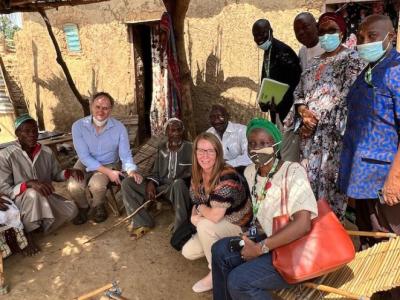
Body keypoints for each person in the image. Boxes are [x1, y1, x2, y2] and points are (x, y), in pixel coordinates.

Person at [211, 118, 318, 300]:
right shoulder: (250, 172)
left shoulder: (293, 171)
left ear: (275, 146)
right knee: (220, 250)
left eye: (263, 143)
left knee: (239, 282)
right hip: (270, 240)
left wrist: (260, 248)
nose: (256, 148)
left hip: (296, 250)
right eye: (252, 143)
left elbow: (302, 225)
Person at [283, 12, 365, 220]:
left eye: (332, 31)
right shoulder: (313, 63)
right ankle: (312, 236)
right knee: (308, 188)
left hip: (333, 140)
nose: (326, 35)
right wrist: (302, 112)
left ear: (343, 32)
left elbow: (348, 97)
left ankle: (330, 239)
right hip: (308, 139)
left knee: (329, 191)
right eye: (322, 32)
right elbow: (299, 94)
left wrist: (315, 119)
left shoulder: (353, 60)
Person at [339, 15, 400, 248]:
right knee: (370, 243)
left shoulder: (395, 70)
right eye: (361, 37)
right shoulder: (370, 70)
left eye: (372, 36)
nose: (365, 42)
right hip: (364, 180)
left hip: (384, 181)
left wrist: (395, 179)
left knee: (389, 249)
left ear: (391, 37)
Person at [181, 132, 252, 293]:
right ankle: (232, 254)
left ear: (218, 153)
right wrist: (195, 215)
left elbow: (214, 216)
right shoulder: (198, 174)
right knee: (188, 252)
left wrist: (199, 213)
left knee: (205, 226)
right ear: (195, 153)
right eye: (201, 150)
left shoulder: (227, 175)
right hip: (219, 223)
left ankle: (216, 272)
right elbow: (196, 202)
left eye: (210, 151)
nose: (205, 155)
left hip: (239, 225)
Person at [0, 114, 81, 254]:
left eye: (35, 131)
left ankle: (39, 224)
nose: (32, 135)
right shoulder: (6, 155)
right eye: (27, 131)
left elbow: (56, 175)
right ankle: (28, 235)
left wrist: (68, 172)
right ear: (17, 134)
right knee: (32, 193)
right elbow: (4, 188)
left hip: (45, 198)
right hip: (20, 202)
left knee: (72, 210)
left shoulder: (46, 152)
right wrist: (28, 184)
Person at [68, 92, 142, 224]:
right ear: (91, 106)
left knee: (97, 185)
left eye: (105, 108)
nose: (101, 111)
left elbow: (125, 154)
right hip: (85, 162)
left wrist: (131, 171)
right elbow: (84, 156)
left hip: (109, 162)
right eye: (98, 107)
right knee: (73, 185)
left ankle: (98, 205)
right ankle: (83, 207)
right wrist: (109, 173)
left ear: (111, 110)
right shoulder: (78, 126)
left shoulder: (119, 128)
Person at [121, 118, 192, 238]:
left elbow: (194, 174)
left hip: (178, 189)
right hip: (161, 187)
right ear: (166, 133)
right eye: (172, 130)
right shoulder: (162, 147)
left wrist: (177, 182)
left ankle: (181, 227)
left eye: (179, 130)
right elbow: (156, 172)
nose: (175, 133)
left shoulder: (191, 148)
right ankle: (143, 222)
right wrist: (151, 183)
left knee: (179, 184)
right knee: (128, 183)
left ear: (183, 131)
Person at [252, 19, 301, 124]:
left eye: (262, 34)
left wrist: (280, 102)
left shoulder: (283, 51)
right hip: (275, 110)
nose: (258, 38)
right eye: (255, 35)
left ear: (271, 31)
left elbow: (296, 83)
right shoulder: (268, 50)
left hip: (288, 112)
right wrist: (264, 101)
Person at [206, 104, 251, 174]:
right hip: (215, 172)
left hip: (239, 172)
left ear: (228, 116)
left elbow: (249, 156)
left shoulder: (242, 131)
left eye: (220, 116)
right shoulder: (209, 133)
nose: (216, 120)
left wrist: (226, 164)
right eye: (212, 117)